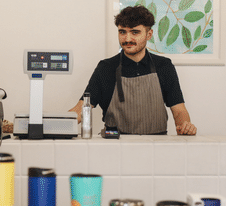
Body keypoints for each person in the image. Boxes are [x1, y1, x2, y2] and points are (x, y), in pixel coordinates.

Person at [69, 5, 197, 135]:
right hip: (115, 146)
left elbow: (179, 110)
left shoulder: (164, 66)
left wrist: (185, 125)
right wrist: (56, 124)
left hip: (157, 146)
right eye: (122, 32)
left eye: (135, 32)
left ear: (149, 34)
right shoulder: (106, 68)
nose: (127, 39)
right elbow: (82, 108)